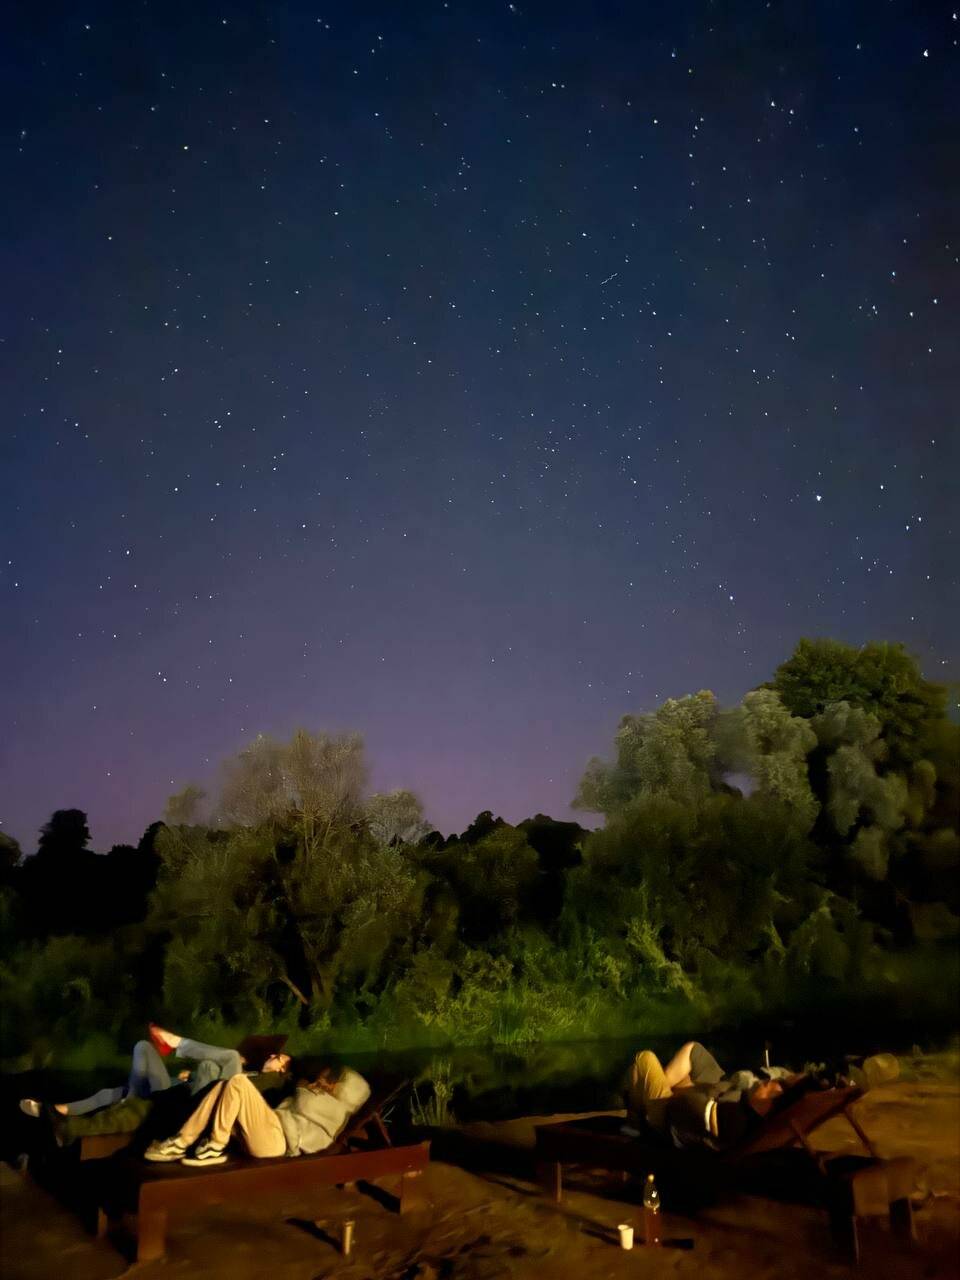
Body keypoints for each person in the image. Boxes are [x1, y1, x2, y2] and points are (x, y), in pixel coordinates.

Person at [19, 1025, 292, 1147]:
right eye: (275, 1055)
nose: (275, 1059)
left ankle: (177, 1044)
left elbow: (238, 1102)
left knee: (226, 1058)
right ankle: (60, 1110)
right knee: (142, 1049)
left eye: (280, 1059)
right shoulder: (243, 1069)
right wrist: (193, 1077)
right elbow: (209, 1075)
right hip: (178, 1093)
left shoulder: (266, 1083)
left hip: (196, 1116)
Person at [144, 1062, 371, 1166]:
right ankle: (182, 1141)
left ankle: (213, 1143)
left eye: (325, 1078)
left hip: (277, 1142)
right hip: (271, 1133)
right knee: (225, 1086)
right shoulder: (322, 1100)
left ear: (337, 1086)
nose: (319, 1081)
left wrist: (303, 1086)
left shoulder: (337, 1110)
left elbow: (303, 1105)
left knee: (239, 1082)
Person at [624, 1040, 790, 1152]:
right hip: (710, 1094)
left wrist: (687, 1088)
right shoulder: (746, 1108)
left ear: (767, 1107)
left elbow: (689, 1109)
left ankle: (636, 1124)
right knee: (694, 1050)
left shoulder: (733, 1119)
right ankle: (645, 1095)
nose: (765, 1083)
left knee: (644, 1059)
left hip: (667, 1116)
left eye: (769, 1088)